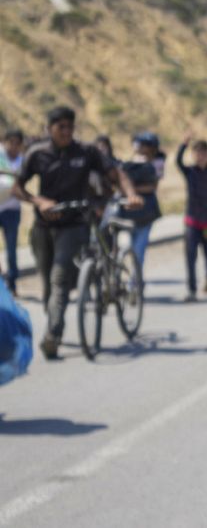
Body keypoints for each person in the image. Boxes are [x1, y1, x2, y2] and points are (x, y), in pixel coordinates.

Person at [13, 107, 142, 359]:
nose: (66, 131)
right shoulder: (37, 154)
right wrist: (39, 201)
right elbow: (17, 187)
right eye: (60, 127)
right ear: (49, 128)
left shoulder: (86, 152)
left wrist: (130, 194)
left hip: (75, 225)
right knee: (48, 288)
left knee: (60, 279)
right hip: (43, 228)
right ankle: (54, 320)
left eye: (70, 126)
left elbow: (116, 173)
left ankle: (53, 336)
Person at [177, 136, 207, 302]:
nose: (199, 156)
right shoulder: (190, 172)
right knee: (190, 256)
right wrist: (183, 145)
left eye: (202, 153)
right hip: (192, 221)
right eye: (196, 153)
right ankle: (192, 289)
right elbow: (178, 162)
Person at [120, 132, 164, 273]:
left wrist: (130, 190)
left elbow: (153, 186)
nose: (140, 147)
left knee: (138, 251)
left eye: (144, 145)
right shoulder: (131, 163)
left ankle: (135, 284)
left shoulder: (156, 164)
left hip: (146, 212)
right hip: (129, 213)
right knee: (132, 249)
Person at [0, 129, 26, 294]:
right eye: (11, 142)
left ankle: (12, 282)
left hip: (12, 210)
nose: (14, 146)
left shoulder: (23, 162)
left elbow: (22, 180)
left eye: (17, 143)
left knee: (11, 249)